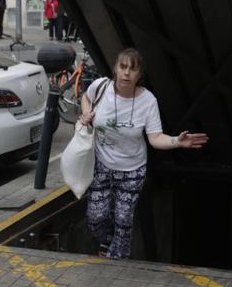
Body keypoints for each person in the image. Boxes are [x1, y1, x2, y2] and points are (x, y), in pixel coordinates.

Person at [78, 49, 207, 259]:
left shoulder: (148, 101)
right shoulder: (100, 87)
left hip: (132, 170)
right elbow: (86, 97)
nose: (127, 73)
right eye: (123, 67)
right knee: (95, 218)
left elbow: (155, 138)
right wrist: (86, 113)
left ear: (139, 74)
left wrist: (177, 141)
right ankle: (108, 240)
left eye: (133, 69)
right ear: (115, 69)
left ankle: (117, 259)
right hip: (101, 164)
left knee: (123, 218)